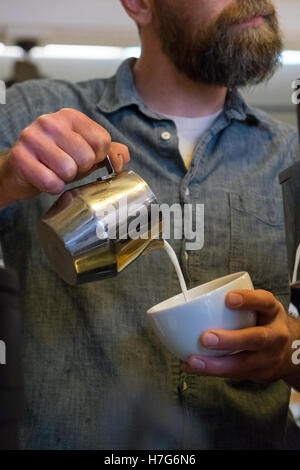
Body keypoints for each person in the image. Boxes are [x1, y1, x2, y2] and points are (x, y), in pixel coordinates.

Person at [0, 0, 299, 449]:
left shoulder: (291, 156)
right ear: (140, 5)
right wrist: (7, 178)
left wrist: (289, 355)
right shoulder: (32, 113)